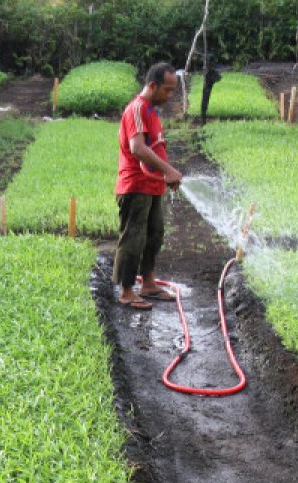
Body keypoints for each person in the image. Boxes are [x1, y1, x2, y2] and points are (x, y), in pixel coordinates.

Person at [114, 62, 183, 310]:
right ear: (152, 85)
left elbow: (156, 148)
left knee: (155, 234)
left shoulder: (152, 112)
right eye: (167, 90)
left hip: (153, 185)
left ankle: (149, 283)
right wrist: (168, 171)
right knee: (134, 237)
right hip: (135, 185)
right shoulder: (136, 109)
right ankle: (126, 290)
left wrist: (167, 174)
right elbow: (138, 148)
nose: (170, 95)